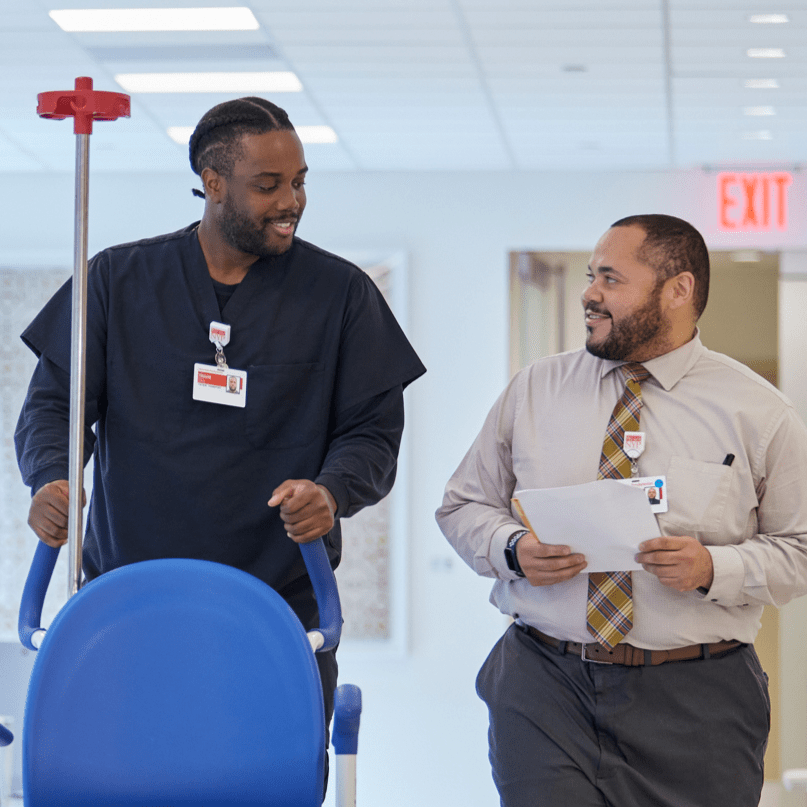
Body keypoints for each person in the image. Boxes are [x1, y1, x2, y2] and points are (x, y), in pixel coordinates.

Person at [16, 96, 426, 785]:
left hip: (276, 612)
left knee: (258, 782)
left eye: (298, 181)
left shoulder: (341, 295)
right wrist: (52, 478)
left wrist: (331, 490)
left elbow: (372, 432)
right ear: (212, 183)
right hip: (131, 605)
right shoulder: (117, 281)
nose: (290, 200)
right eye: (268, 185)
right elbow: (55, 403)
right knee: (127, 781)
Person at [436, 214, 807, 807]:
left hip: (697, 700)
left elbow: (800, 550)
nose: (590, 294)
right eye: (590, 277)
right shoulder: (535, 389)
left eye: (611, 279)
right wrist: (513, 549)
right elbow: (463, 505)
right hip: (544, 683)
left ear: (678, 290)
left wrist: (714, 568)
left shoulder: (760, 414)